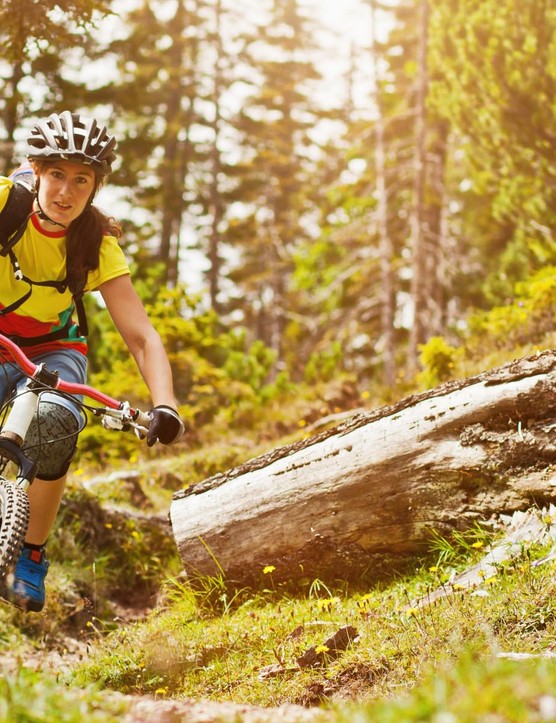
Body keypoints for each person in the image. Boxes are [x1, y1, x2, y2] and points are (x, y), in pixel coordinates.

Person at [0, 110, 184, 612]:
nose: (66, 191)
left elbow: (142, 336)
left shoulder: (95, 243)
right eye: (57, 174)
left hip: (54, 348)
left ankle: (31, 554)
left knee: (56, 422)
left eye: (81, 180)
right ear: (35, 171)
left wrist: (164, 405)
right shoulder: (4, 205)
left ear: (96, 186)